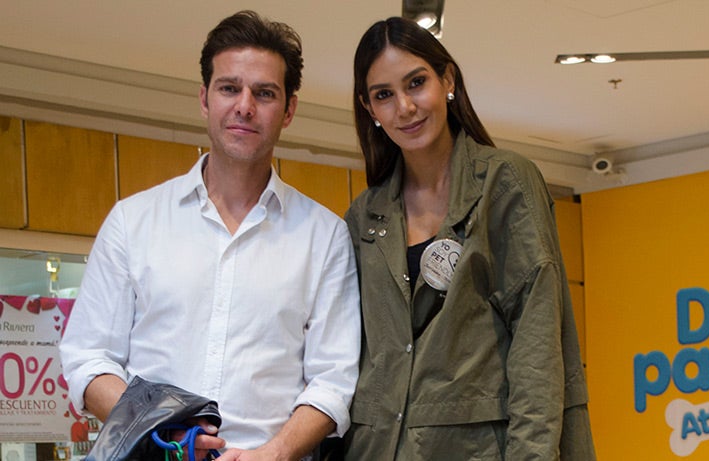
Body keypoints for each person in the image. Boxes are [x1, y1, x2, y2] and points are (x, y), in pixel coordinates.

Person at [59, 10, 360, 461]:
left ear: (289, 110)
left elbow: (333, 381)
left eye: (264, 93)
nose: (245, 106)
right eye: (229, 88)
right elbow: (88, 357)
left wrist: (275, 453)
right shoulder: (132, 221)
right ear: (204, 98)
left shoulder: (325, 236)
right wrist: (159, 433)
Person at [343, 17, 596, 460]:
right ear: (369, 109)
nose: (405, 107)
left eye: (416, 83)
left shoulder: (506, 183)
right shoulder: (364, 215)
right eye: (384, 95)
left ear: (448, 80)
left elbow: (537, 346)